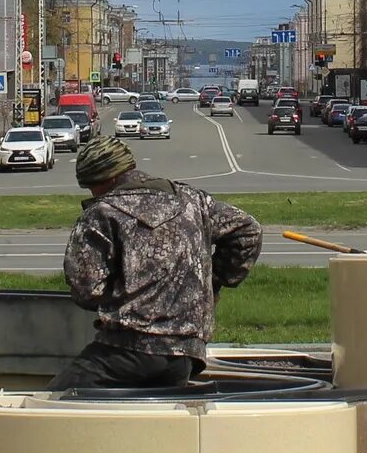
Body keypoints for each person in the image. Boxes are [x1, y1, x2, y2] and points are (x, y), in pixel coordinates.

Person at [52, 132, 261, 390]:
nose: (91, 191)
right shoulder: (193, 201)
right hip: (187, 352)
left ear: (110, 177)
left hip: (126, 348)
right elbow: (248, 231)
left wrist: (122, 294)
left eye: (92, 184)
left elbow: (86, 290)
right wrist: (213, 282)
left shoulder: (101, 214)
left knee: (52, 404)